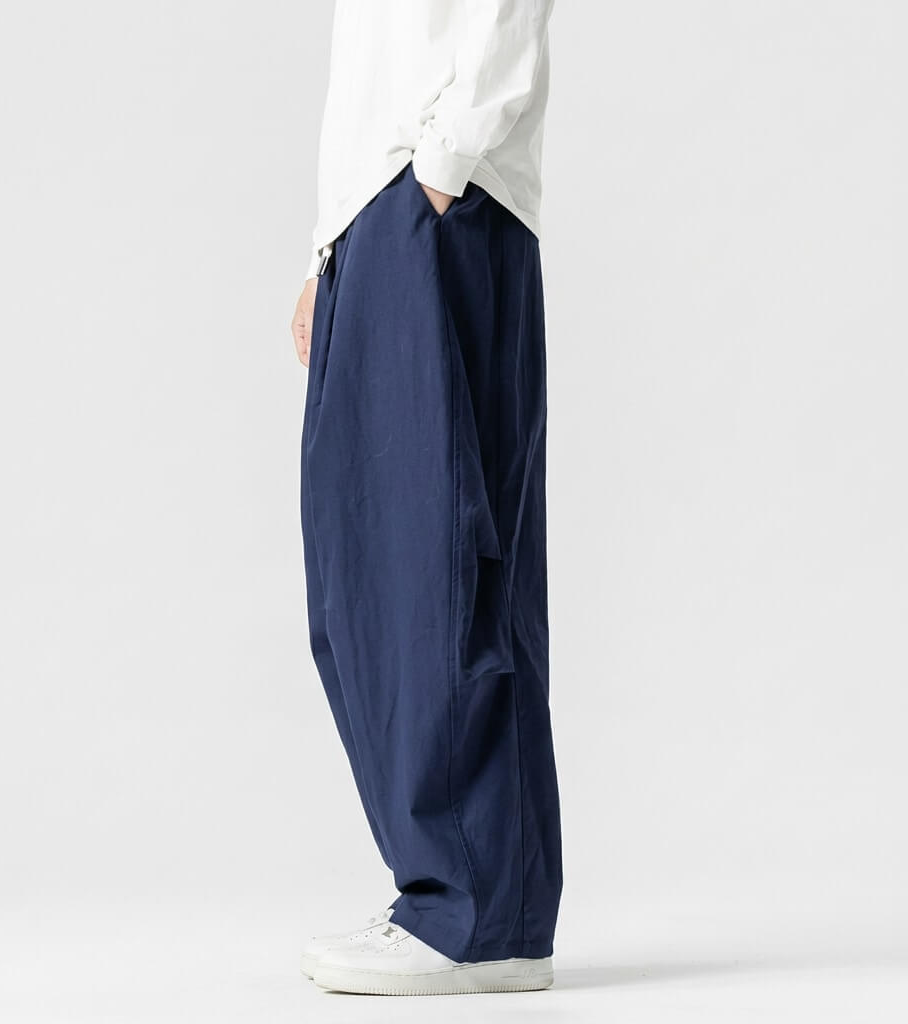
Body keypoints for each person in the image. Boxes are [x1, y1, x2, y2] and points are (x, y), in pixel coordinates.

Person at [291, 0, 562, 997]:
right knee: (365, 580)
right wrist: (330, 247)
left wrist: (440, 172)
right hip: (379, 216)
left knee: (437, 567)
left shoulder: (439, 189)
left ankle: (475, 912)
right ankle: (464, 898)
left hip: (439, 200)